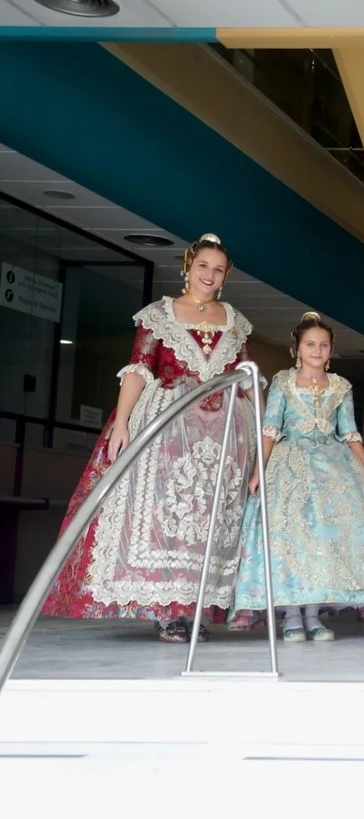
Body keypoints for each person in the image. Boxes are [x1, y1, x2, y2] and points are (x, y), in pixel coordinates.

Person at [43, 234, 255, 643]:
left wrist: (262, 434)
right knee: (165, 514)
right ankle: (166, 610)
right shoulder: (160, 314)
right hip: (167, 429)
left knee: (210, 519)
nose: (209, 275)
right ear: (187, 268)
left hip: (224, 433)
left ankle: (196, 606)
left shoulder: (236, 321)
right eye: (203, 266)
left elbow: (246, 381)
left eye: (218, 268)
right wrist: (122, 422)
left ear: (226, 275)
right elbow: (139, 369)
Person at [233, 313, 364, 640]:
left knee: (326, 536)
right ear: (296, 347)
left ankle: (313, 614)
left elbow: (351, 434)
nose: (317, 349)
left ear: (331, 350)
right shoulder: (283, 382)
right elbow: (269, 430)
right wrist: (259, 471)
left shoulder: (340, 386)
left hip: (332, 465)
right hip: (289, 464)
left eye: (324, 345)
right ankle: (292, 615)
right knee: (290, 535)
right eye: (310, 344)